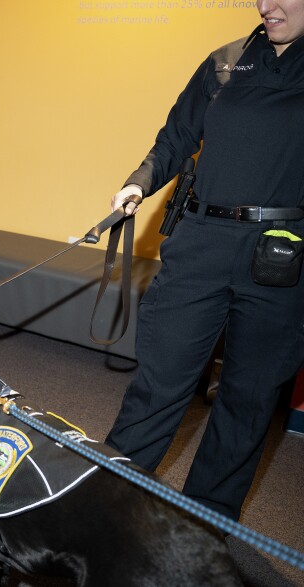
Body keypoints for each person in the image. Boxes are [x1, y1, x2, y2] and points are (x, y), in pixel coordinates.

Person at [104, 0, 304, 522]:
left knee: (249, 401)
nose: (268, 6)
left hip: (283, 255)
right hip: (201, 242)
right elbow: (176, 135)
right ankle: (100, 513)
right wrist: (137, 183)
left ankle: (202, 528)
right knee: (158, 383)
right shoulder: (226, 60)